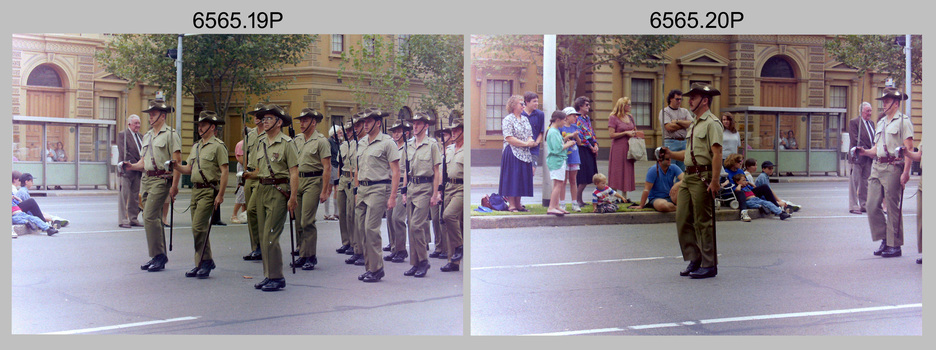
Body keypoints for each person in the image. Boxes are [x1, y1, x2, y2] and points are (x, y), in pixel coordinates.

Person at [661, 82, 723, 279]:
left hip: (702, 177)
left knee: (703, 221)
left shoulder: (712, 123)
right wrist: (670, 153)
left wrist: (714, 181)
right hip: (688, 176)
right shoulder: (695, 123)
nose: (690, 101)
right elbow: (688, 154)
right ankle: (694, 258)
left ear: (704, 101)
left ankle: (709, 264)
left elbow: (717, 153)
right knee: (682, 218)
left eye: (693, 98)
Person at [121, 97, 182, 273]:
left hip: (162, 179)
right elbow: (143, 161)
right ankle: (158, 256)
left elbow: (177, 162)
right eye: (150, 114)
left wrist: (174, 186)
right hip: (147, 179)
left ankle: (158, 255)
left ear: (162, 116)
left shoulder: (171, 135)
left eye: (153, 114)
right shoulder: (147, 136)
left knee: (148, 216)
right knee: (153, 218)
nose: (150, 118)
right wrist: (131, 166)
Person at [244, 104, 298, 291]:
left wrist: (292, 197)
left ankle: (277, 277)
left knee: (270, 236)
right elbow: (260, 170)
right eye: (263, 118)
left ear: (279, 122)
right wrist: (249, 175)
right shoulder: (261, 142)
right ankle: (268, 275)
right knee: (262, 234)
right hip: (261, 188)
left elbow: (293, 172)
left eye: (269, 119)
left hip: (278, 190)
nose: (264, 121)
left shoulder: (287, 143)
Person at [170, 111, 229, 279]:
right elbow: (188, 168)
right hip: (195, 191)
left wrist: (221, 195)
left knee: (198, 227)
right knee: (198, 229)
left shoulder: (218, 146)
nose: (199, 127)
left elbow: (224, 172)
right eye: (199, 125)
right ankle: (202, 262)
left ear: (212, 127)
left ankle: (206, 261)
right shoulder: (196, 146)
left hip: (208, 190)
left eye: (203, 125)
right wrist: (176, 166)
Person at [857, 87, 914, 258]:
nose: (884, 105)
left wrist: (906, 172)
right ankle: (884, 239)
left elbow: (909, 149)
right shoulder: (881, 122)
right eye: (883, 102)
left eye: (887, 102)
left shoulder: (904, 122)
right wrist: (865, 152)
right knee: (872, 204)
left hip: (893, 167)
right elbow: (876, 148)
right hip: (877, 166)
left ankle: (894, 245)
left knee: (892, 207)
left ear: (896, 104)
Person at [353, 108, 401, 282]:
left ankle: (377, 268)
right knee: (360, 229)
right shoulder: (362, 142)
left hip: (378, 188)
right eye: (364, 121)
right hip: (363, 189)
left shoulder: (387, 142)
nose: (365, 124)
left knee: (371, 229)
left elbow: (396, 171)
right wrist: (357, 189)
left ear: (378, 123)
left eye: (368, 121)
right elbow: (358, 168)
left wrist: (393, 196)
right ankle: (370, 267)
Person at [292, 108, 332, 272]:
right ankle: (302, 253)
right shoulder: (297, 140)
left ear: (313, 122)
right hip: (299, 180)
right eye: (300, 121)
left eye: (305, 121)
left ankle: (311, 256)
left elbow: (327, 167)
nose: (301, 124)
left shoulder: (321, 141)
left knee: (307, 221)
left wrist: (324, 190)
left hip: (313, 181)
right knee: (298, 220)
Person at [403, 113, 442, 277]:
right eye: (414, 124)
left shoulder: (432, 145)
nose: (415, 126)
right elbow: (406, 169)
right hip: (412, 187)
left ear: (426, 126)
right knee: (411, 227)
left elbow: (436, 171)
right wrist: (404, 191)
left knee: (417, 225)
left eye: (419, 124)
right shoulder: (408, 145)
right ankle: (416, 262)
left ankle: (424, 261)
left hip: (425, 188)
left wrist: (435, 194)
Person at [498, 95, 535, 212]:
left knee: (521, 177)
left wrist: (530, 141)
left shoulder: (525, 119)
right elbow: (509, 138)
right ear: (514, 105)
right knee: (512, 177)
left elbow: (530, 134)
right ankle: (512, 204)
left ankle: (519, 204)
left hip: (524, 153)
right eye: (521, 104)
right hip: (512, 152)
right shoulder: (508, 119)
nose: (523, 106)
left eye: (524, 104)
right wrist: (525, 143)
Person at [242, 103, 268, 261]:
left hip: (261, 176)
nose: (256, 118)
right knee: (251, 214)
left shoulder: (268, 134)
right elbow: (246, 154)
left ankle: (263, 247)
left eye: (260, 115)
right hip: (248, 175)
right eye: (255, 115)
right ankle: (255, 247)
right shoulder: (250, 135)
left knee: (254, 211)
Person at [440, 116, 464, 273]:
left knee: (448, 216)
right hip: (449, 186)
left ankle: (460, 246)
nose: (453, 133)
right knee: (449, 225)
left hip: (462, 188)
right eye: (452, 130)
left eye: (456, 130)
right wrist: (439, 190)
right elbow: (443, 172)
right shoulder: (448, 150)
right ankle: (453, 262)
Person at [384, 120, 410, 264]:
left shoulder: (407, 148)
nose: (395, 134)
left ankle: (401, 250)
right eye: (394, 132)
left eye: (398, 132)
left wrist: (405, 188)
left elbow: (407, 169)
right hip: (390, 183)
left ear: (405, 133)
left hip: (402, 184)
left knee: (398, 218)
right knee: (389, 217)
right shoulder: (391, 147)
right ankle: (394, 248)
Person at [608, 97, 642, 203]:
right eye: (629, 105)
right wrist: (625, 133)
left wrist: (635, 133)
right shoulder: (613, 117)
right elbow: (611, 134)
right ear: (623, 106)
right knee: (616, 171)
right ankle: (614, 196)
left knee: (627, 170)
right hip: (618, 147)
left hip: (629, 147)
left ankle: (624, 196)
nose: (630, 107)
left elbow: (634, 129)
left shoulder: (630, 117)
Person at [546, 110, 575, 216]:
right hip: (556, 161)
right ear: (557, 120)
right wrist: (569, 144)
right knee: (558, 184)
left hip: (559, 160)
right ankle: (551, 207)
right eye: (563, 120)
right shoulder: (553, 132)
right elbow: (557, 149)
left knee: (558, 184)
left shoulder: (554, 131)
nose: (564, 123)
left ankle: (556, 205)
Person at [848, 102, 875, 214]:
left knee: (865, 182)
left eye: (870, 110)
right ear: (861, 112)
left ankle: (863, 204)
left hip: (868, 157)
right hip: (858, 157)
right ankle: (853, 206)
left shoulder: (872, 123)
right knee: (855, 182)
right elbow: (855, 140)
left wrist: (872, 151)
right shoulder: (854, 122)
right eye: (867, 111)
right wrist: (866, 150)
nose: (870, 113)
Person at [117, 114, 144, 228]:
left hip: (137, 171)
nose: (137, 126)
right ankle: (123, 219)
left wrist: (140, 166)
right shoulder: (123, 135)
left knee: (134, 196)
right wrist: (134, 165)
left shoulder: (141, 136)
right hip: (126, 170)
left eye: (139, 123)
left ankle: (133, 218)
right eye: (135, 123)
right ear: (129, 124)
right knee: (124, 196)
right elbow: (124, 152)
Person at [335, 120, 357, 256]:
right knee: (342, 212)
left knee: (351, 213)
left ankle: (354, 243)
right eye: (346, 131)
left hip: (353, 179)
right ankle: (346, 241)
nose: (348, 133)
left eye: (350, 131)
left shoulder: (358, 145)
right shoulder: (342, 145)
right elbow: (339, 164)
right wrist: (337, 183)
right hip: (343, 179)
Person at [574, 96, 599, 208]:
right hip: (582, 149)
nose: (589, 106)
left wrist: (596, 144)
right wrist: (590, 146)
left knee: (590, 174)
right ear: (580, 106)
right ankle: (578, 199)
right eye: (586, 104)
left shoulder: (587, 118)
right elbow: (581, 135)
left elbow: (591, 132)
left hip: (589, 148)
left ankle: (581, 199)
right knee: (583, 176)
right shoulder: (577, 119)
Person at [660, 89, 693, 171]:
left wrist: (678, 121)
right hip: (671, 142)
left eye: (680, 99)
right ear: (671, 99)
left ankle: (680, 184)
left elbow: (692, 124)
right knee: (669, 169)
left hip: (684, 142)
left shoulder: (684, 111)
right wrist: (684, 124)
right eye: (677, 99)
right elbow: (669, 127)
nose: (679, 101)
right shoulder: (665, 112)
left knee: (683, 170)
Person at [560, 107, 583, 212]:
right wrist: (570, 136)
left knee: (573, 180)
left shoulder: (575, 127)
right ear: (567, 116)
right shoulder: (561, 127)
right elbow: (559, 140)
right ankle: (562, 203)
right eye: (573, 116)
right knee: (563, 181)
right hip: (564, 156)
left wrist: (576, 136)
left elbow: (579, 142)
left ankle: (574, 202)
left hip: (574, 156)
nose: (575, 117)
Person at [323, 124, 342, 221]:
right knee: (329, 189)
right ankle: (326, 213)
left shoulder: (339, 142)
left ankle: (336, 213)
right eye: (339, 132)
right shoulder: (329, 141)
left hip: (337, 166)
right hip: (331, 166)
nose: (341, 134)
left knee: (337, 189)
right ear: (334, 133)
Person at [522, 92, 545, 171]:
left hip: (534, 148)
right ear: (527, 102)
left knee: (532, 170)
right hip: (521, 147)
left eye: (537, 101)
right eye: (534, 101)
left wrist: (536, 143)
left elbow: (542, 131)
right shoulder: (520, 114)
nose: (536, 103)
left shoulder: (540, 114)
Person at [230, 140, 246, 224]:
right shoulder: (241, 144)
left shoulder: (248, 143)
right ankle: (234, 215)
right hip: (243, 169)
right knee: (241, 192)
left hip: (246, 168)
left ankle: (244, 215)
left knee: (246, 195)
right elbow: (241, 159)